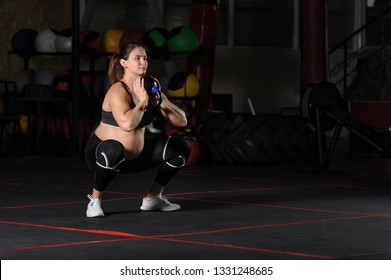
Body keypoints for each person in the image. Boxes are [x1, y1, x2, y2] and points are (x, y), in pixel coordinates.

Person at [84, 42, 191, 218]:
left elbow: (181, 121)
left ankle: (153, 198)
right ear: (124, 63)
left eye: (145, 58)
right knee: (113, 148)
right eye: (137, 58)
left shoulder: (150, 85)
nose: (143, 62)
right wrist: (142, 102)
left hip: (136, 157)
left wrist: (160, 100)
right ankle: (94, 200)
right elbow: (127, 125)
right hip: (103, 155)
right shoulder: (117, 91)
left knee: (181, 146)